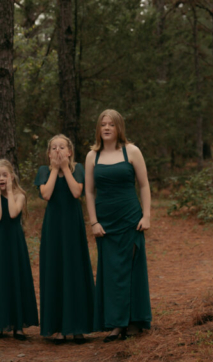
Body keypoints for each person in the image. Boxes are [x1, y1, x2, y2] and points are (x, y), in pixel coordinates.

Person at [84, 109, 152, 342]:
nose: (106, 128)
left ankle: (133, 321)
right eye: (103, 124)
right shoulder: (92, 156)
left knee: (131, 270)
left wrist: (147, 215)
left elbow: (143, 186)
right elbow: (89, 192)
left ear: (118, 127)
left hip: (130, 219)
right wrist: (93, 221)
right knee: (111, 272)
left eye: (111, 124)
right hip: (106, 223)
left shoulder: (131, 151)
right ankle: (115, 324)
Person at [34, 135, 94, 345]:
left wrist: (65, 168)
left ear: (70, 151)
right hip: (53, 228)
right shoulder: (43, 171)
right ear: (49, 153)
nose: (58, 151)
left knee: (75, 270)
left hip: (72, 227)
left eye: (62, 147)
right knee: (56, 270)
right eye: (53, 148)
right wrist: (54, 170)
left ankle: (77, 326)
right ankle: (59, 327)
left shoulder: (77, 168)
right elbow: (47, 194)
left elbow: (77, 192)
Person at [0, 159, 39, 340]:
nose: (1, 178)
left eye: (4, 175)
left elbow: (13, 213)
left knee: (16, 276)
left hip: (15, 242)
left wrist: (10, 191)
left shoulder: (19, 195)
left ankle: (18, 325)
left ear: (11, 177)